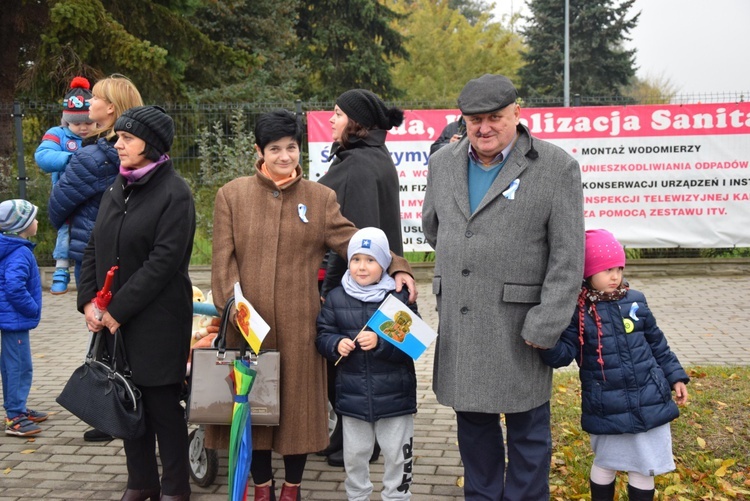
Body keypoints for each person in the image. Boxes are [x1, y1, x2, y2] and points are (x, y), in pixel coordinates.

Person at [208, 109, 417, 501]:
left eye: (292, 148)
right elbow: (223, 259)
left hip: (301, 324)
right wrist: (233, 305)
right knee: (254, 408)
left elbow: (355, 240)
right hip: (247, 324)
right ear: (259, 151)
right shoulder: (231, 196)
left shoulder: (320, 199)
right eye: (275, 149)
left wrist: (400, 266)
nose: (285, 156)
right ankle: (262, 485)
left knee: (297, 411)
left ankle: (292, 487)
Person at [422, 73, 585, 500]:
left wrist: (547, 323)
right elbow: (435, 229)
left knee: (529, 438)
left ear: (517, 112)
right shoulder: (443, 163)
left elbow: (569, 256)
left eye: (495, 116)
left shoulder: (556, 166)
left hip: (520, 328)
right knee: (475, 437)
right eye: (475, 119)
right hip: (463, 321)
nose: (485, 128)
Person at [79, 106, 195, 501]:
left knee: (163, 409)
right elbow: (95, 244)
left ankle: (176, 488)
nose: (118, 143)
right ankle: (142, 482)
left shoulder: (175, 193)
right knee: (128, 400)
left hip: (159, 320)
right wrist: (88, 302)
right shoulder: (118, 186)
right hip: (117, 320)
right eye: (119, 137)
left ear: (152, 144)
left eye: (127, 137)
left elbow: (162, 263)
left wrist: (116, 309)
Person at [539, 229, 689, 501]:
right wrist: (546, 343)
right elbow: (565, 354)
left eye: (619, 268)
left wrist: (675, 377)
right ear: (587, 272)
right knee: (606, 461)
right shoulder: (578, 311)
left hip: (649, 399)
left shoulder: (636, 301)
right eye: (606, 269)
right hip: (606, 404)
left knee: (645, 465)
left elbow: (658, 344)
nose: (615, 276)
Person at [48, 74, 143, 443]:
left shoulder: (91, 154)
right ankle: (127, 403)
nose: (89, 105)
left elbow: (57, 208)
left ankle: (108, 409)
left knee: (101, 329)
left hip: (94, 249)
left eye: (96, 99)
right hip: (130, 253)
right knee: (124, 328)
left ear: (112, 108)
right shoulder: (135, 151)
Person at [319, 88, 405, 466]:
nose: (332, 120)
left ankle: (362, 445)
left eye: (338, 114)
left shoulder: (354, 165)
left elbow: (350, 239)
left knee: (351, 361)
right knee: (370, 359)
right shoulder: (375, 157)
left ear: (356, 123)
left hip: (355, 283)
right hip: (378, 279)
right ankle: (344, 439)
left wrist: (327, 289)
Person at [316, 227, 418, 500]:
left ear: (385, 263)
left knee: (398, 455)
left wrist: (382, 343)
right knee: (355, 456)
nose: (362, 267)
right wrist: (336, 343)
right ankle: (357, 496)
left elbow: (412, 345)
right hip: (353, 396)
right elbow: (322, 335)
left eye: (371, 260)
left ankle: (397, 496)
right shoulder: (336, 298)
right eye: (356, 259)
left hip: (396, 396)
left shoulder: (398, 298)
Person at [34, 76, 95, 294]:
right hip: (67, 197)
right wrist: (70, 158)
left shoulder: (99, 135)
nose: (83, 128)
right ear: (66, 120)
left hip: (93, 199)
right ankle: (60, 269)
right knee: (65, 231)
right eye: (77, 123)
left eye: (88, 122)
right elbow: (42, 156)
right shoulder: (57, 134)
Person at [0, 199, 47, 437]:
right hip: (15, 318)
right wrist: (31, 308)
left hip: (8, 317)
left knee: (11, 365)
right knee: (19, 366)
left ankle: (16, 407)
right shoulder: (19, 251)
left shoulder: (8, 246)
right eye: (33, 219)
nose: (37, 222)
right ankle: (15, 417)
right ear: (22, 226)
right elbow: (15, 287)